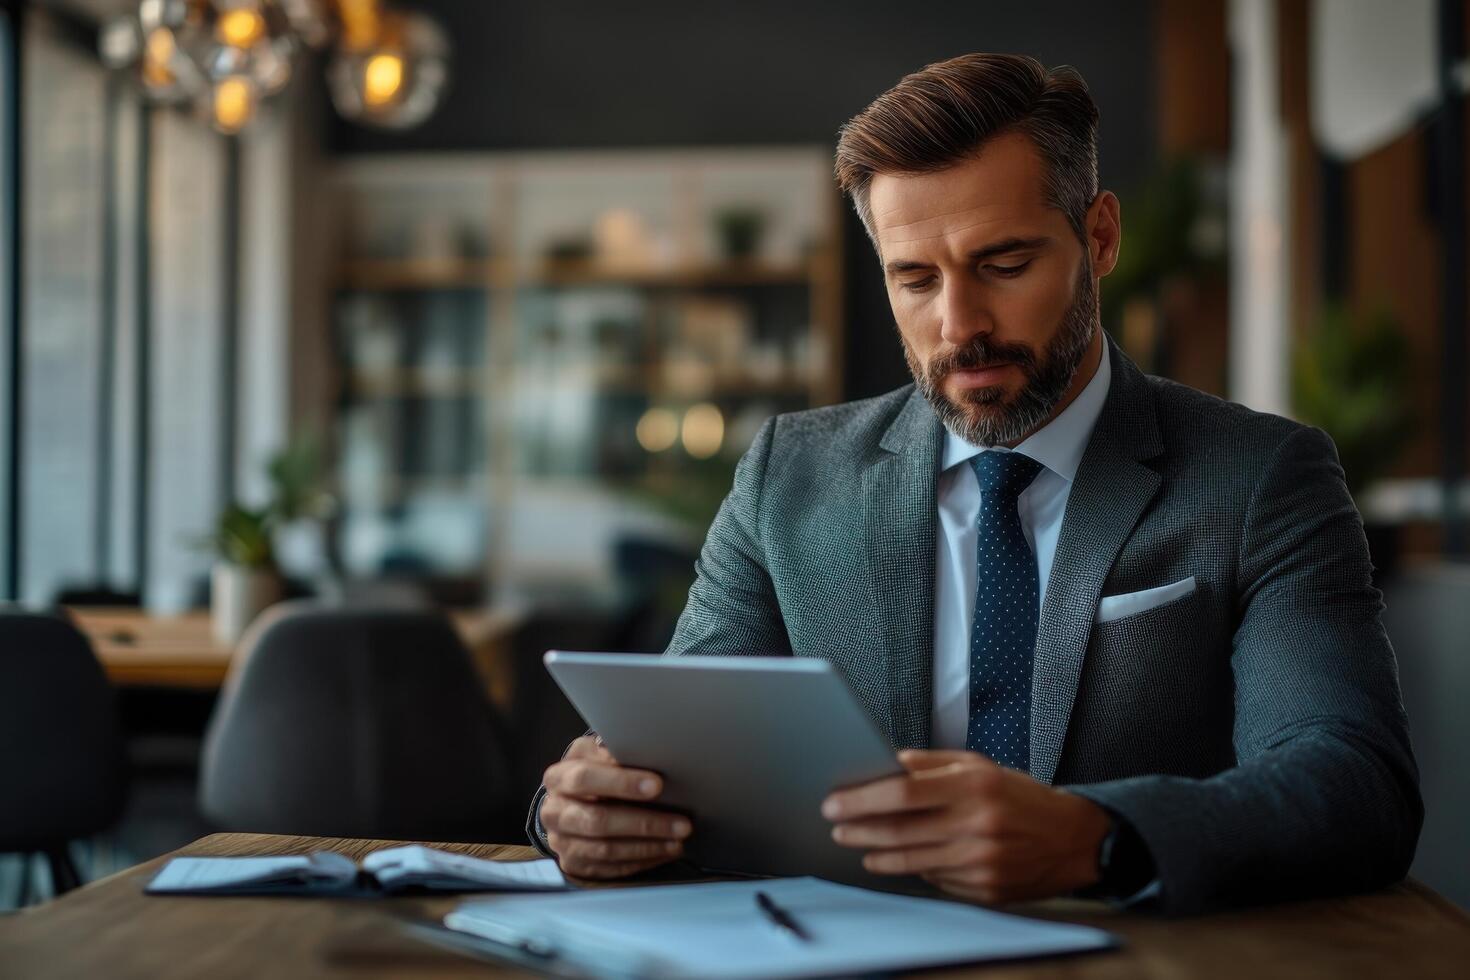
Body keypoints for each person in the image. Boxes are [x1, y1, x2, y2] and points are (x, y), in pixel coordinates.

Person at [525, 53, 1422, 915]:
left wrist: (1094, 839)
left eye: (1004, 265)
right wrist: (587, 809)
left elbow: (1353, 782)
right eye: (914, 278)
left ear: (1098, 237)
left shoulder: (1262, 478)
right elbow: (672, 753)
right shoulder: (786, 476)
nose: (959, 326)